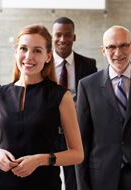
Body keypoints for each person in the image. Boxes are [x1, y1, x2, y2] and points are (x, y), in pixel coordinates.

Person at [0, 24, 84, 190]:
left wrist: (41, 159)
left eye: (37, 50)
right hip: (0, 183)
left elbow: (77, 154)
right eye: (23, 49)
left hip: (44, 183)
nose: (28, 56)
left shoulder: (61, 96)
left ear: (48, 57)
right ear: (16, 52)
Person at [75, 25, 131, 190]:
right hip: (100, 178)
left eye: (123, 45)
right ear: (104, 50)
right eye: (111, 47)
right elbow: (82, 141)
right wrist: (83, 186)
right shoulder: (87, 86)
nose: (118, 53)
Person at [52, 16, 97, 190]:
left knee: (74, 180)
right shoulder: (44, 64)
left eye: (67, 35)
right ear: (52, 37)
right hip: (49, 132)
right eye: (58, 35)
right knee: (49, 179)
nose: (63, 39)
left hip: (76, 132)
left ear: (74, 37)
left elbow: (93, 99)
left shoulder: (88, 64)